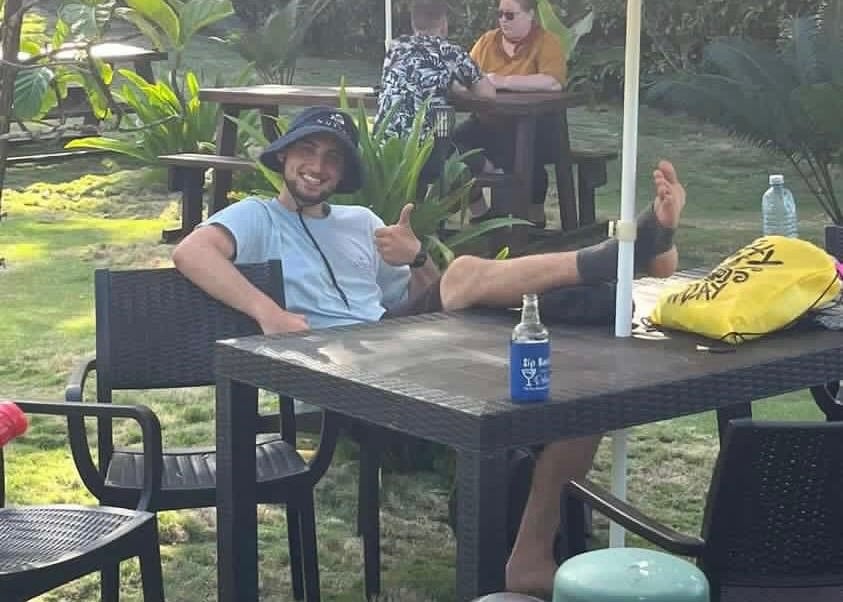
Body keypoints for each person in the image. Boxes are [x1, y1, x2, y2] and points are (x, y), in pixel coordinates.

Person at [172, 106, 686, 597]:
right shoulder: (258, 217)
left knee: (574, 377)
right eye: (308, 151)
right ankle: (630, 253)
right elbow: (191, 252)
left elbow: (439, 303)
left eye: (333, 158)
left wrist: (416, 256)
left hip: (405, 348)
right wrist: (269, 313)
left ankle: (530, 553)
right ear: (283, 157)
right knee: (465, 273)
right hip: (345, 375)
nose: (319, 167)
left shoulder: (360, 221)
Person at [375, 0, 497, 217]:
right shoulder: (450, 53)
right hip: (427, 153)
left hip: (386, 148)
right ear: (444, 23)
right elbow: (488, 94)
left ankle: (479, 215)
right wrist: (456, 88)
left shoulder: (395, 48)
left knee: (453, 151)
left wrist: (448, 84)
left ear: (413, 24)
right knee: (484, 165)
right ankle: (485, 218)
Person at [453, 0, 568, 228]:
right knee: (449, 145)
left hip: (535, 126)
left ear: (530, 15)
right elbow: (464, 75)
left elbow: (553, 82)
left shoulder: (546, 42)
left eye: (510, 15)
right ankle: (480, 212)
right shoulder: (486, 42)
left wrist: (502, 81)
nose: (503, 20)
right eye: (500, 14)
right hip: (486, 122)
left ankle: (532, 222)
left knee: (521, 155)